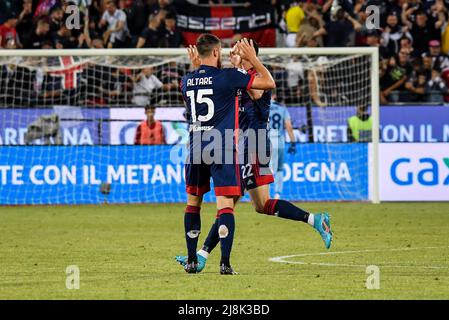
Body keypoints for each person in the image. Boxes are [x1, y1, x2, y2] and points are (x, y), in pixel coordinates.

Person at [176, 40, 333, 274]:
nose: (232, 54)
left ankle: (203, 256)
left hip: (254, 145)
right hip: (240, 145)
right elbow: (216, 84)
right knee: (248, 205)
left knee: (235, 204)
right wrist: (201, 68)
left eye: (238, 51)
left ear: (249, 54)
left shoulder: (252, 77)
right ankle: (314, 220)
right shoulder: (235, 76)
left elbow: (259, 87)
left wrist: (247, 62)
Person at [179, 34, 276, 275]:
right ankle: (225, 263)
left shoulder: (186, 80)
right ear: (215, 53)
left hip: (196, 147)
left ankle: (192, 260)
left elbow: (206, 84)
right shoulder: (229, 77)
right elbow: (268, 82)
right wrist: (252, 58)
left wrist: (198, 68)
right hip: (221, 146)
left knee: (193, 203)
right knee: (225, 207)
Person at [269, 97, 296, 199]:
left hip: (267, 139)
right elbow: (288, 126)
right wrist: (293, 142)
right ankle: (277, 194)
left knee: (266, 168)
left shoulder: (263, 106)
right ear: (275, 96)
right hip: (280, 139)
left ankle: (264, 195)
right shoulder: (282, 108)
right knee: (279, 168)